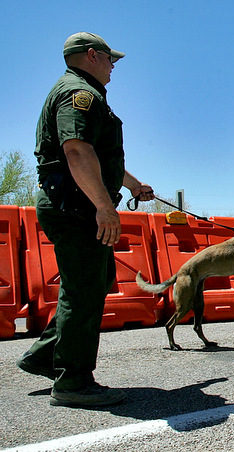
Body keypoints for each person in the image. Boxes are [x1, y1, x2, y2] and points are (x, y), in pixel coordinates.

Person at [16, 32, 155, 407]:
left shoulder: (84, 92)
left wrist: (133, 184)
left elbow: (96, 156)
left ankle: (46, 356)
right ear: (92, 55)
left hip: (76, 206)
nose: (114, 66)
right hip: (77, 210)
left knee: (92, 283)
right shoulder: (80, 95)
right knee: (83, 292)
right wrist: (104, 208)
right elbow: (76, 150)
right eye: (112, 59)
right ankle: (73, 383)